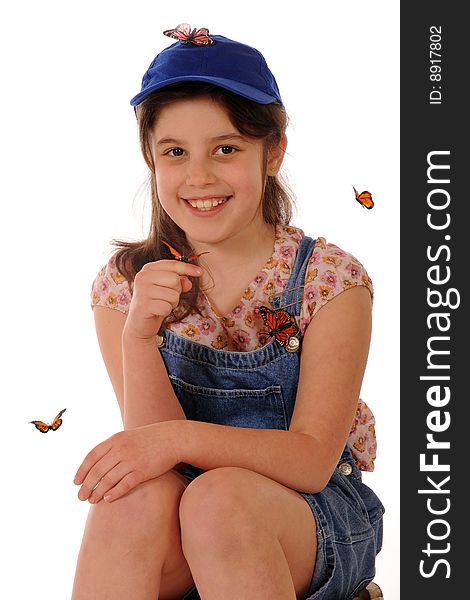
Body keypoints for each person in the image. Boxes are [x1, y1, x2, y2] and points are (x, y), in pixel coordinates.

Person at [71, 24, 384, 600]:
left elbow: (313, 459)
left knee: (219, 500)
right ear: (151, 158)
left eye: (226, 148)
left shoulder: (329, 280)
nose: (199, 177)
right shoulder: (125, 288)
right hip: (183, 508)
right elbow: (152, 455)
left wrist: (180, 439)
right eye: (175, 152)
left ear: (273, 152)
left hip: (311, 517)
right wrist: (139, 337)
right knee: (131, 499)